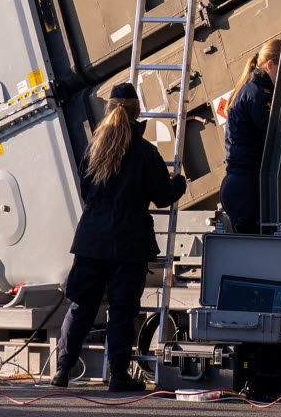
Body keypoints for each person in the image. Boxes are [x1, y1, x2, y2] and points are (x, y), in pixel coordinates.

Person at [52, 82, 188, 392]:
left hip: (91, 240)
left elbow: (86, 191)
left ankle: (62, 370)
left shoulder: (94, 147)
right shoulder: (145, 152)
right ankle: (119, 376)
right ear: (137, 113)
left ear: (109, 110)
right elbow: (162, 196)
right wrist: (178, 182)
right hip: (129, 242)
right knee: (123, 311)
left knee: (81, 306)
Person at [218, 38, 281, 233]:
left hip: (247, 184)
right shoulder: (257, 93)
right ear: (270, 65)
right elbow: (279, 139)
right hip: (247, 187)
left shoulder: (256, 90)